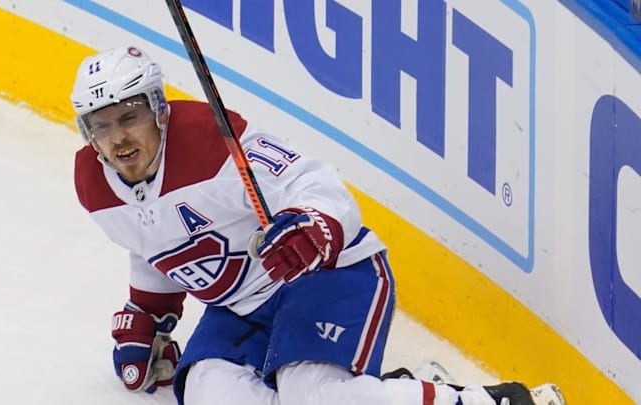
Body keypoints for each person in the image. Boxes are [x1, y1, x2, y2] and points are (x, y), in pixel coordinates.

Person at [69, 45, 565, 405]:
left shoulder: (210, 141)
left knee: (312, 394)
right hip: (240, 309)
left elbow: (314, 182)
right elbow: (150, 241)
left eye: (129, 116)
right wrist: (150, 312)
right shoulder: (93, 183)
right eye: (102, 126)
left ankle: (496, 402)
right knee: (207, 394)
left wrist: (313, 227)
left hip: (321, 276)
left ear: (158, 109)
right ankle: (392, 392)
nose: (118, 138)